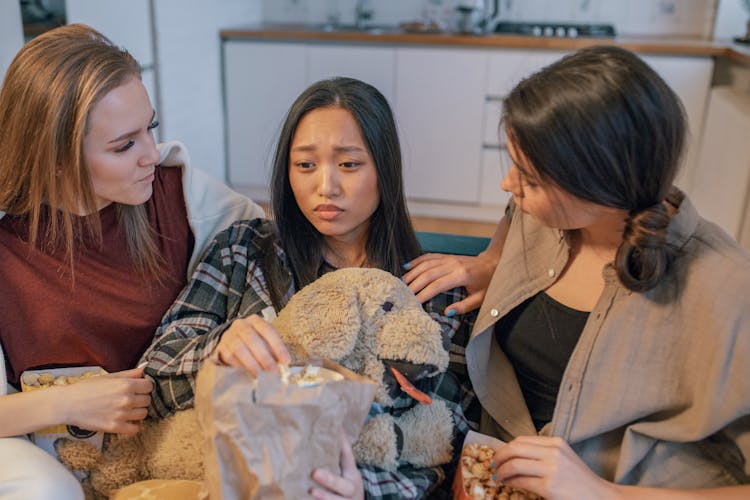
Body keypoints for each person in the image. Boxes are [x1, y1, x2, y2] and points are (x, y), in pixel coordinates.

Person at [140, 77, 477, 499]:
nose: (326, 187)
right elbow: (150, 381)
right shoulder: (242, 251)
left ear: (385, 169)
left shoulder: (431, 289)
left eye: (349, 165)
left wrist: (363, 490)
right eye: (305, 165)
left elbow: (451, 437)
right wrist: (220, 347)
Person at [453, 45, 750, 498]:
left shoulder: (724, 289)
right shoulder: (542, 215)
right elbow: (511, 219)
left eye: (529, 177)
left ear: (601, 181)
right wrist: (491, 263)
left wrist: (601, 492)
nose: (508, 185)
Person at [0, 24, 263, 499]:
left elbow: (293, 250)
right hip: (38, 452)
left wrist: (444, 267)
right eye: (124, 145)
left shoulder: (184, 196)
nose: (150, 155)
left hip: (167, 443)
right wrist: (68, 403)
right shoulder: (7, 244)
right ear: (55, 158)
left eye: (151, 129)